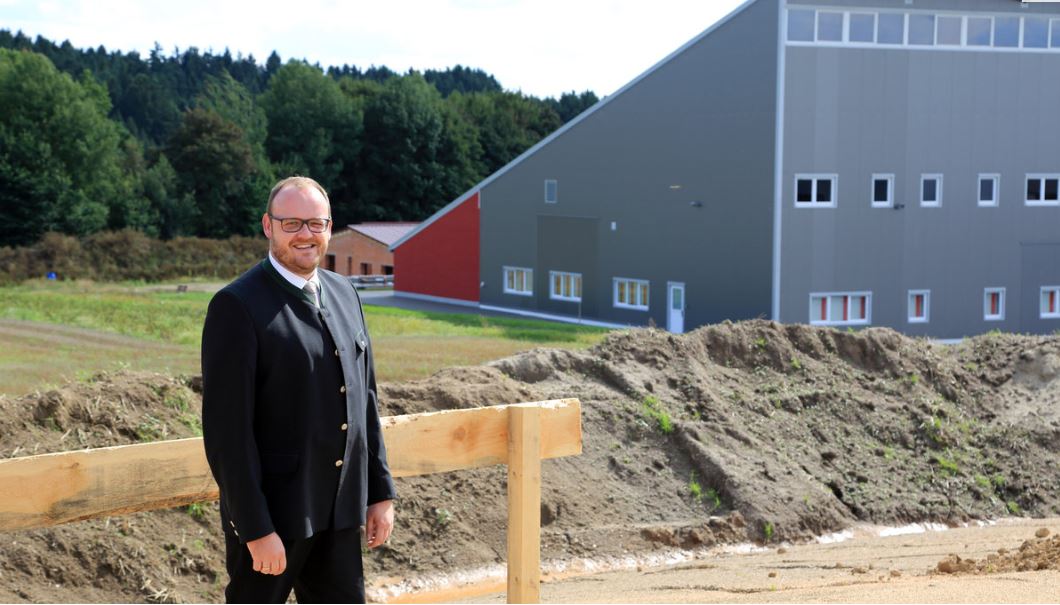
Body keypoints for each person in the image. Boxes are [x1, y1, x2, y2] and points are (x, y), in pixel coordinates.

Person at [201, 176, 396, 603]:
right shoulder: (236, 306)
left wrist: (379, 493)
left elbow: (366, 400)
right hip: (276, 518)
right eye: (291, 224)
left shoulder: (345, 292)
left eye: (315, 223)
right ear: (268, 226)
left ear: (329, 227)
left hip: (341, 511)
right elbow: (227, 436)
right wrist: (255, 530)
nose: (305, 234)